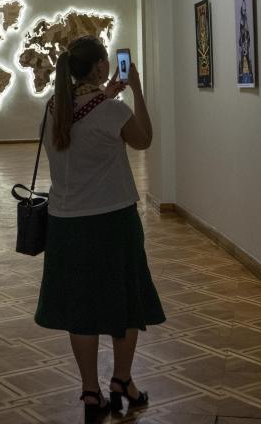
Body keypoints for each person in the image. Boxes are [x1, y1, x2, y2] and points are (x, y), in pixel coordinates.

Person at [33, 35, 166, 422]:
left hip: (64, 224)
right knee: (124, 304)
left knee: (82, 310)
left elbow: (82, 120)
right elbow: (144, 140)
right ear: (101, 66)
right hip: (112, 221)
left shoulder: (53, 108)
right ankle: (122, 381)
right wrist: (136, 90)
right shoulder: (111, 110)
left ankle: (91, 393)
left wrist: (107, 94)